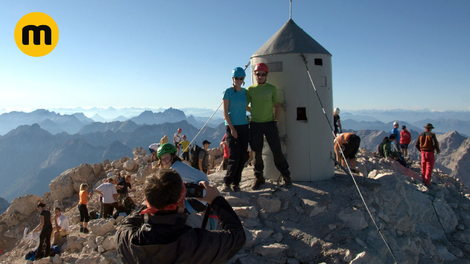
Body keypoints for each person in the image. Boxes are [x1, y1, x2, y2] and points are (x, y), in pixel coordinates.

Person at [116, 168, 246, 264]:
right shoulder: (198, 243)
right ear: (182, 202)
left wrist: (154, 199)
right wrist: (217, 200)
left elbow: (127, 223)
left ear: (147, 200)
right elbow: (238, 236)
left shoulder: (128, 240)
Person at [247, 63, 292, 189]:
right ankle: (259, 177)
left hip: (269, 123)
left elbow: (277, 105)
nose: (260, 76)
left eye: (263, 74)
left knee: (276, 150)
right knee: (257, 153)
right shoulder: (250, 90)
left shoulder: (272, 88)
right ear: (254, 74)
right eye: (258, 74)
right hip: (255, 124)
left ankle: (286, 176)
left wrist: (275, 120)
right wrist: (253, 111)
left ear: (267, 75)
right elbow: (245, 104)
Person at [222, 67, 250, 192]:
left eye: (241, 78)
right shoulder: (227, 92)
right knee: (234, 156)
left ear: (243, 79)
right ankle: (227, 182)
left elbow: (245, 107)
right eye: (236, 78)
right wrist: (232, 129)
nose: (238, 80)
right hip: (232, 126)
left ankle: (236, 183)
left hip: (244, 126)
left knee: (243, 156)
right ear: (233, 79)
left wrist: (256, 111)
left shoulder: (245, 92)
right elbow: (225, 112)